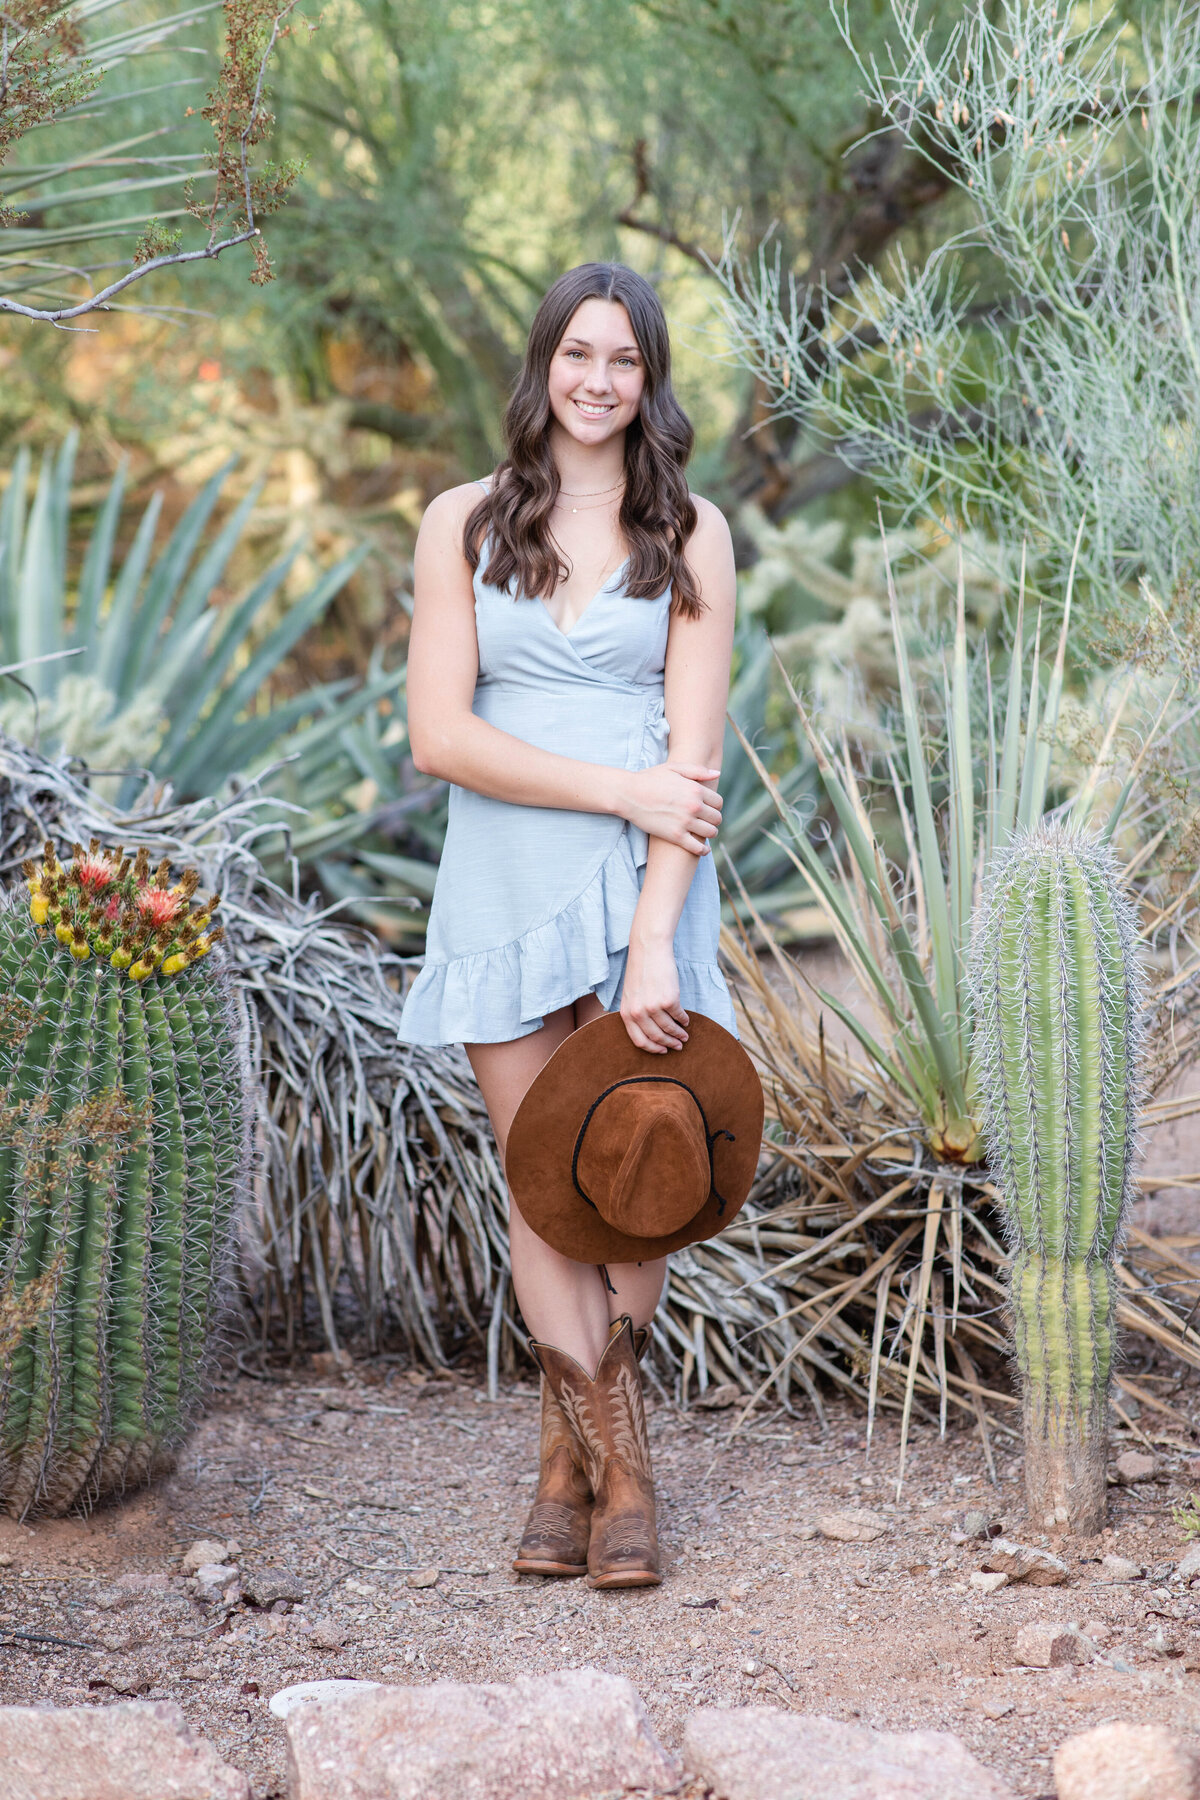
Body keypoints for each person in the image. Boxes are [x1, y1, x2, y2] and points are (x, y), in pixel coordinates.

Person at [399, 260, 738, 1586]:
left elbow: (692, 765)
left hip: (640, 892)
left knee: (635, 1181)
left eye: (625, 362)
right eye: (578, 355)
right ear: (542, 363)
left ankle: (591, 1464)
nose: (598, 382)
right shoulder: (461, 523)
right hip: (500, 881)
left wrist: (655, 934)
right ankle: (605, 1465)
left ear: (650, 381)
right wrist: (614, 783)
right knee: (545, 1189)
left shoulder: (693, 532)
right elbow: (440, 737)